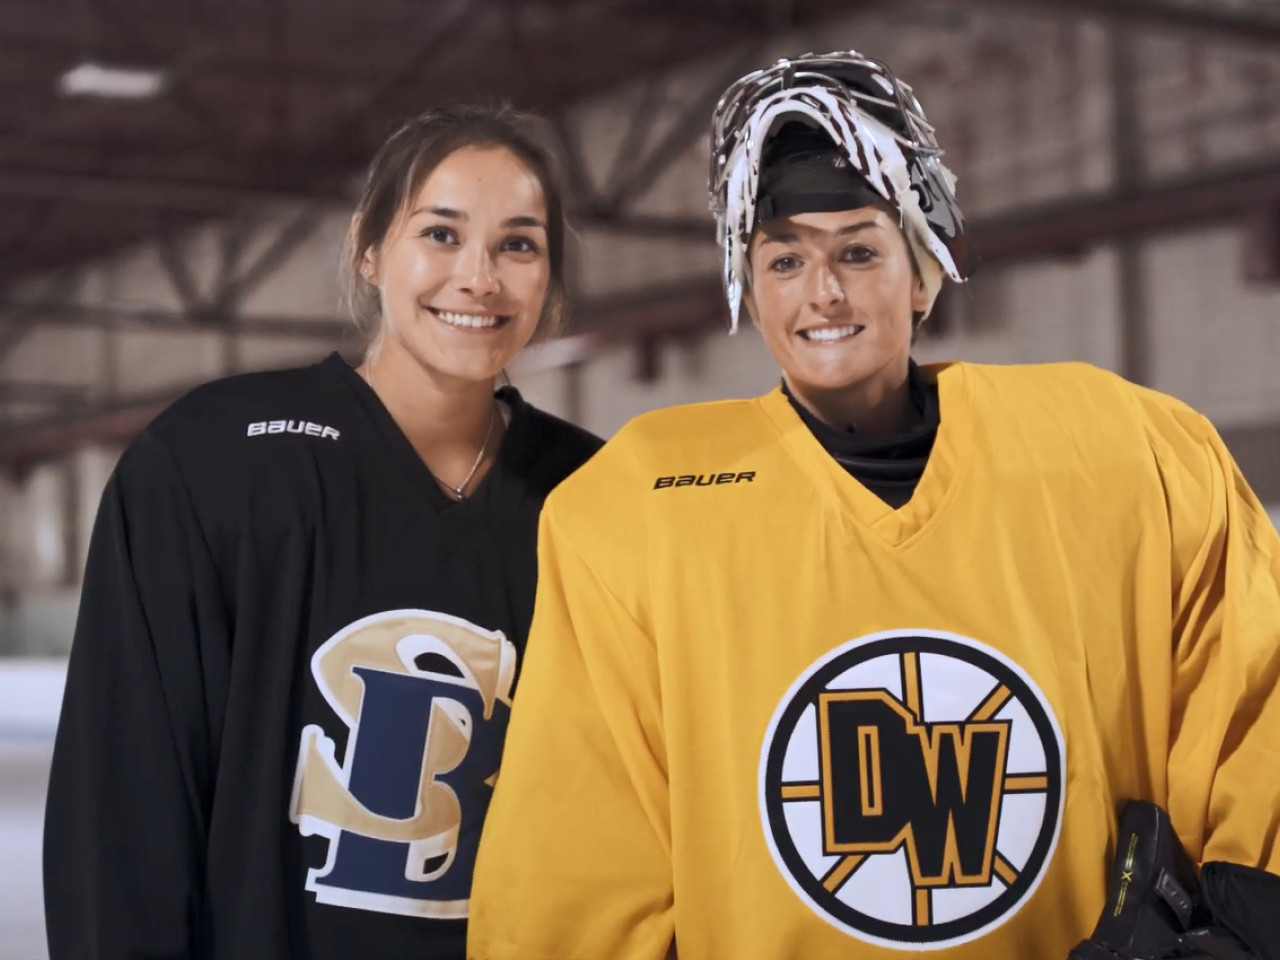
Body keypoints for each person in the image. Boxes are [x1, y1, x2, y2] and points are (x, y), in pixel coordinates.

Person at [466, 52, 1280, 960]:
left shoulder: (1130, 451)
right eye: (785, 259)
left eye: (859, 250)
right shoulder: (631, 508)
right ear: (752, 289)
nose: (824, 292)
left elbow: (1251, 698)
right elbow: (576, 848)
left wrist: (1246, 931)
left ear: (924, 274)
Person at [43, 103, 602, 960]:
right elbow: (123, 807)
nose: (479, 277)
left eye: (518, 245)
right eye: (442, 235)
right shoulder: (213, 462)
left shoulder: (593, 496)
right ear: (369, 247)